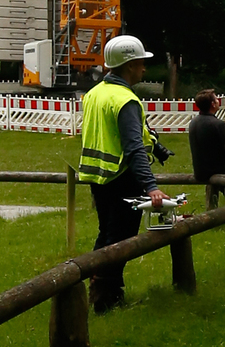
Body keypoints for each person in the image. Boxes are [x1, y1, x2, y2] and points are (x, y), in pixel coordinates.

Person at [77, 34, 172, 314]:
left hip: (98, 177)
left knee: (106, 233)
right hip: (122, 176)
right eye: (141, 63)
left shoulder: (95, 93)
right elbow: (132, 148)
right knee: (120, 241)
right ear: (129, 65)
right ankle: (106, 299)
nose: (144, 68)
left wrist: (157, 146)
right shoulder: (125, 100)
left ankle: (96, 289)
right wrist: (151, 187)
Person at [187, 89, 225, 205]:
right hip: (219, 170)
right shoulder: (218, 124)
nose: (218, 101)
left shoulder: (193, 122)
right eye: (216, 99)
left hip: (200, 171)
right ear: (213, 104)